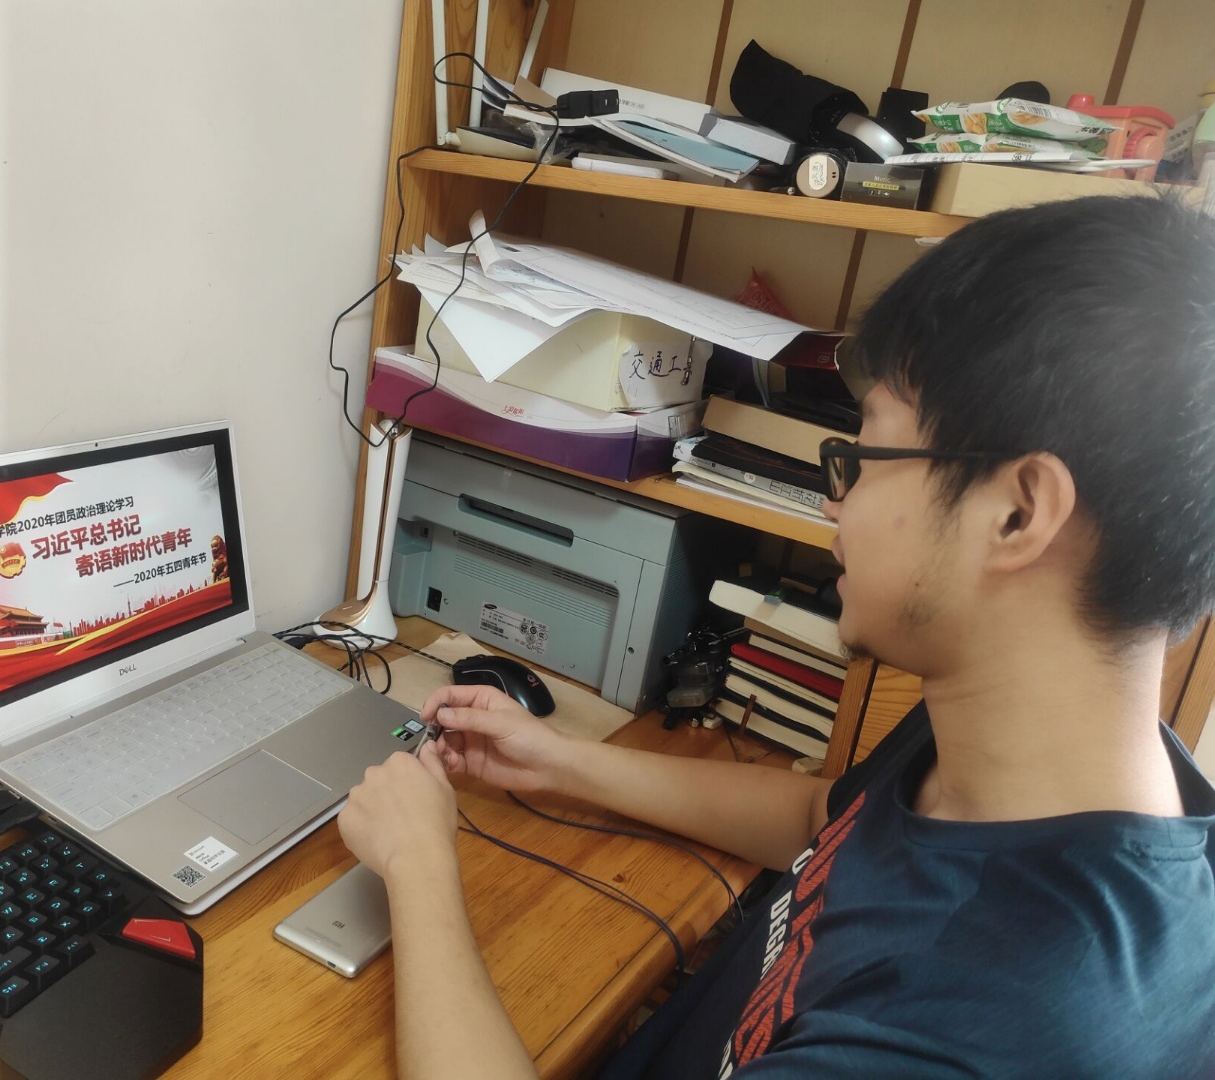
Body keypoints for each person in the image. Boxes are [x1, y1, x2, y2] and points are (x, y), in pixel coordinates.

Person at [336, 194, 1215, 1079]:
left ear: (1018, 513)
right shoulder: (1035, 747)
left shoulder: (980, 1029)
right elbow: (822, 822)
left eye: (860, 456)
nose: (834, 503)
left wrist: (418, 865)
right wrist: (559, 761)